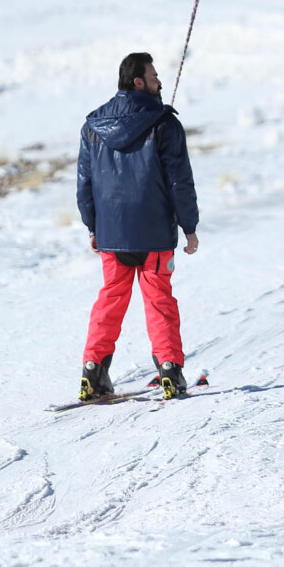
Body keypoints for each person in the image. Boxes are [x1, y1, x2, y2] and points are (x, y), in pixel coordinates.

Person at [76, 52, 200, 402]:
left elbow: (84, 182)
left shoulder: (92, 125)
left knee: (110, 299)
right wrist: (189, 226)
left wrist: (92, 227)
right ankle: (170, 373)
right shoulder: (165, 124)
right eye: (154, 76)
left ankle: (92, 370)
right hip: (155, 233)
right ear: (138, 82)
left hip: (112, 234)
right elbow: (180, 181)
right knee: (159, 301)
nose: (160, 82)